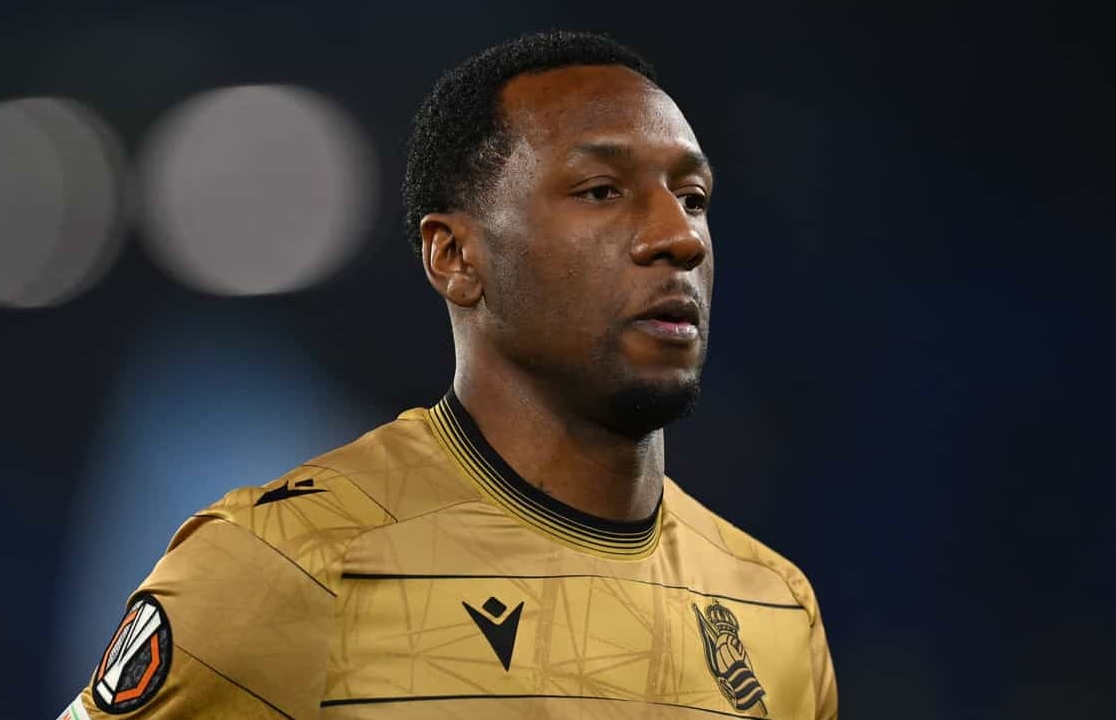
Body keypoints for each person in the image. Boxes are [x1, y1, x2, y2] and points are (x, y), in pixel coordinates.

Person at [58, 30, 838, 720]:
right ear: (451, 252)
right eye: (599, 192)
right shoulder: (264, 535)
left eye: (693, 198)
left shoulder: (770, 604)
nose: (676, 236)